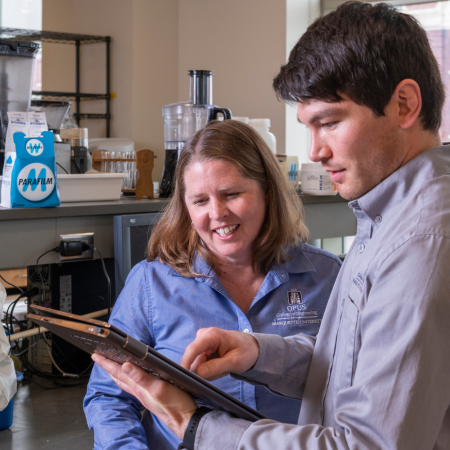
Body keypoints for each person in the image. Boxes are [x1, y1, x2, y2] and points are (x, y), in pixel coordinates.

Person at [93, 2, 450, 449]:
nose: (316, 151)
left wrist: (196, 425)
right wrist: (259, 353)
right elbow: (346, 368)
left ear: (405, 104)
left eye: (330, 123)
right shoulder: (385, 220)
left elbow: (368, 445)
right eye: (308, 128)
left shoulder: (421, 241)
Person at [84, 119, 341, 449]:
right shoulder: (151, 284)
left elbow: (352, 386)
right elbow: (109, 398)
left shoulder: (327, 277)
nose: (217, 213)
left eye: (231, 194)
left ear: (267, 191)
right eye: (200, 201)